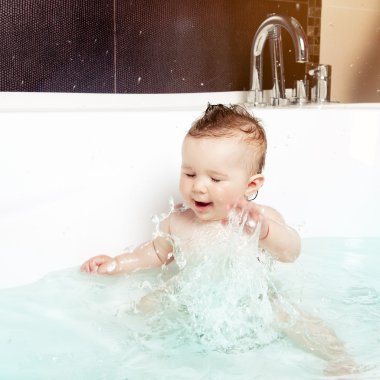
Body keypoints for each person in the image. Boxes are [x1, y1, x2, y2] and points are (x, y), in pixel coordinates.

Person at [81, 104, 356, 376]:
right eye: (189, 174)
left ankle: (339, 357)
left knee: (291, 316)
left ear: (251, 185)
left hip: (254, 303)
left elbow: (291, 252)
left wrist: (264, 232)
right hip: (192, 302)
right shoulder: (178, 221)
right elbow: (155, 252)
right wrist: (118, 263)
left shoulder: (259, 220)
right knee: (148, 305)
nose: (198, 186)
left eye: (215, 178)